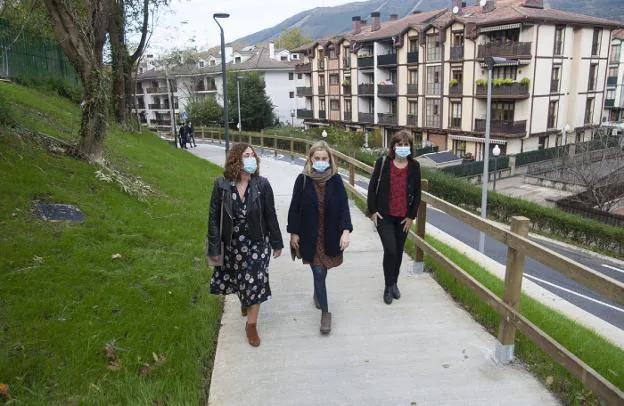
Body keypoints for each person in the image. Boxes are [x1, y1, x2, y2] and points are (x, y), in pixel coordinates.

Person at [207, 143, 283, 347]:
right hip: (232, 244)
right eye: (246, 155)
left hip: (257, 242)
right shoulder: (221, 185)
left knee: (256, 281)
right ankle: (244, 300)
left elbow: (270, 215)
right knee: (240, 281)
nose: (251, 159)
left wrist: (277, 243)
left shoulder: (262, 185)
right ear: (235, 159)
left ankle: (251, 325)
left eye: (253, 155)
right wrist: (214, 248)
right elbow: (213, 217)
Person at [287, 141, 353, 334]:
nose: (321, 162)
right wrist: (294, 232)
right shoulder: (303, 180)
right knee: (318, 273)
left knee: (322, 273)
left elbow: (343, 208)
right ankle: (325, 313)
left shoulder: (336, 180)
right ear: (310, 159)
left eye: (325, 159)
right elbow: (294, 209)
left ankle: (317, 294)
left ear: (330, 160)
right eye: (317, 158)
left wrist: (346, 231)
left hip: (330, 235)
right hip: (310, 236)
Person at [367, 130, 421, 305]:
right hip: (385, 216)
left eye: (406, 145)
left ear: (410, 147)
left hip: (403, 218)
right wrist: (373, 211)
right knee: (390, 250)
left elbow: (418, 193)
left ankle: (394, 283)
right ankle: (387, 286)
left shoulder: (414, 166)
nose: (403, 148)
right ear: (393, 146)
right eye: (400, 144)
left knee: (398, 252)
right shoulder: (383, 163)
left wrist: (411, 216)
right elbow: (372, 187)